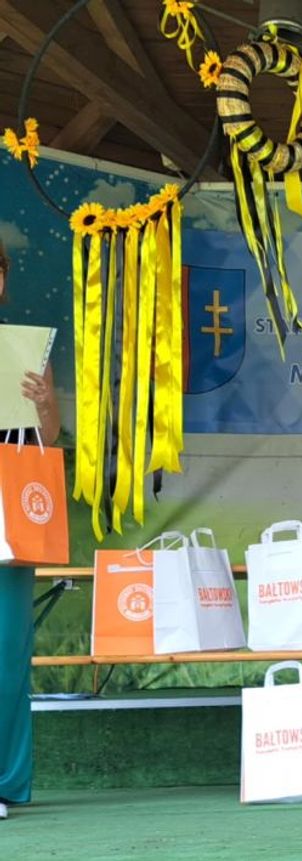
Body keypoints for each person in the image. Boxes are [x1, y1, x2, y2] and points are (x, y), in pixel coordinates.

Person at [1, 242, 61, 822]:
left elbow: (50, 436)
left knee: (5, 655)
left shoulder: (26, 348)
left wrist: (43, 403)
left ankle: (4, 782)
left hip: (9, 515)